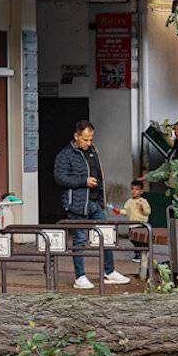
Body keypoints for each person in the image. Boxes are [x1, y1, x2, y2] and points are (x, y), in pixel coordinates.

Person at [54, 120, 129, 289]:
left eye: (91, 139)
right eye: (85, 139)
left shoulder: (93, 151)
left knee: (106, 236)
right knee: (79, 240)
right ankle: (80, 277)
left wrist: (102, 201)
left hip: (95, 203)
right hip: (77, 204)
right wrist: (83, 181)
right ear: (76, 136)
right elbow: (59, 178)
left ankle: (109, 271)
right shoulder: (65, 155)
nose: (89, 143)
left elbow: (100, 177)